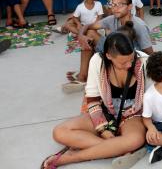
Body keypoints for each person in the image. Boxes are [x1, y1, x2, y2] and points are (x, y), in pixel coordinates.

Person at [41, 32, 147, 168]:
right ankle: (118, 148)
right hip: (105, 112)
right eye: (122, 62)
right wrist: (103, 130)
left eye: (131, 59)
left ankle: (73, 157)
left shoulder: (144, 61)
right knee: (59, 132)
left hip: (133, 115)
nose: (129, 65)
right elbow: (92, 98)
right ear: (109, 56)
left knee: (135, 139)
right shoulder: (98, 61)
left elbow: (157, 94)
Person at [64, 0, 153, 93]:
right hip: (114, 49)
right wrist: (81, 36)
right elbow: (88, 26)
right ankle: (83, 75)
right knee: (90, 34)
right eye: (113, 4)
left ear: (130, 7)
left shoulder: (139, 26)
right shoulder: (113, 19)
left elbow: (149, 53)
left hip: (129, 58)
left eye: (120, 5)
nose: (115, 8)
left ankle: (91, 72)